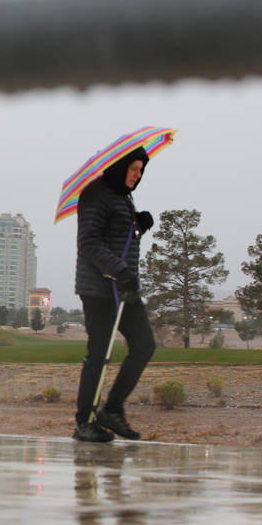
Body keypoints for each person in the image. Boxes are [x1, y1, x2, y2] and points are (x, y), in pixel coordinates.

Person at [72, 146, 156, 442]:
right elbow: (90, 243)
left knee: (145, 344)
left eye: (141, 170)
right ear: (120, 167)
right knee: (99, 354)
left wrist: (138, 226)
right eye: (134, 169)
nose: (138, 175)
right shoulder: (96, 194)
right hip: (99, 289)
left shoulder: (123, 196)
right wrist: (119, 270)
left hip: (124, 288)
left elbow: (117, 237)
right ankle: (85, 422)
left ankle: (112, 410)